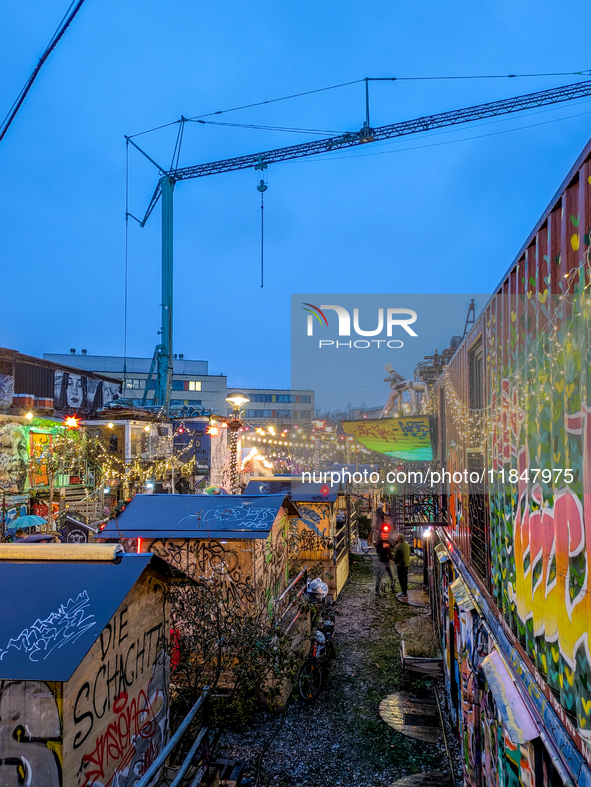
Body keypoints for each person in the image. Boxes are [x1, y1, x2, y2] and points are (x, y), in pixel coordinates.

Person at [393, 533, 411, 601]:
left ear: (398, 539)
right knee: (405, 578)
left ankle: (404, 592)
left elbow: (395, 557)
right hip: (406, 563)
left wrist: (394, 561)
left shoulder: (398, 546)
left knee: (401, 579)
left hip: (401, 565)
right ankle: (405, 591)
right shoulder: (407, 544)